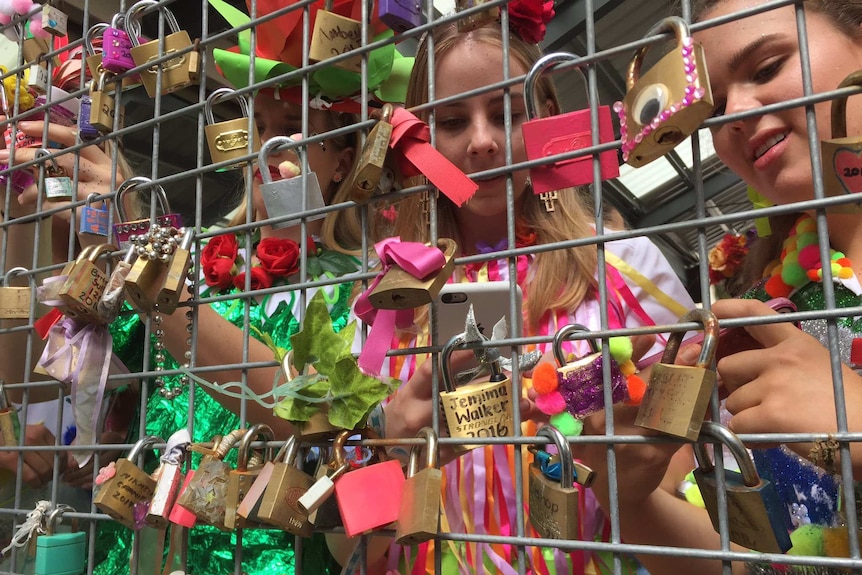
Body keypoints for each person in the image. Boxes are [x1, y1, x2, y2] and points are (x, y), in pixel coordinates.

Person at [0, 4, 410, 574]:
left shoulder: (366, 284)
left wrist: (137, 237)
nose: (268, 149)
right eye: (261, 127)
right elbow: (20, 379)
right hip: (142, 557)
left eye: (293, 132)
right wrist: (22, 216)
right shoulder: (186, 253)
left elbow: (309, 415)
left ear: (344, 161)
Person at [373, 13, 696, 574]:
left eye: (508, 114)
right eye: (452, 122)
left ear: (545, 120)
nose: (483, 141)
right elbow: (359, 508)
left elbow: (697, 424)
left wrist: (643, 460)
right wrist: (387, 443)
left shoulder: (620, 264)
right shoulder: (393, 298)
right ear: (422, 143)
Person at [575, 2, 862, 574]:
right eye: (717, 104)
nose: (735, 115)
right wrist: (627, 495)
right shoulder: (767, 307)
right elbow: (752, 560)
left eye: (765, 67)